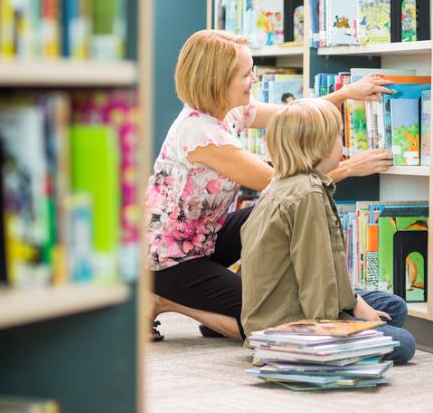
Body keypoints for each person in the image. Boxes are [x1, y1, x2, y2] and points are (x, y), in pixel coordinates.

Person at [147, 30, 394, 341]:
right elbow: (283, 187)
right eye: (245, 73)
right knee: (261, 321)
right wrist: (350, 168)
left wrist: (345, 94)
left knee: (262, 214)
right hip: (168, 260)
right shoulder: (200, 134)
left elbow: (293, 117)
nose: (254, 79)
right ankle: (165, 300)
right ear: (216, 81)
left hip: (204, 238)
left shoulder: (230, 111)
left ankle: (222, 298)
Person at [239, 98, 415, 365]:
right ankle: (295, 351)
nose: (342, 145)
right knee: (404, 344)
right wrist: (335, 328)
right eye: (339, 136)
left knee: (394, 307)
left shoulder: (284, 183)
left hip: (277, 306)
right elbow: (316, 275)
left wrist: (355, 302)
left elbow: (325, 266)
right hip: (289, 324)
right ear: (318, 146)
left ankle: (338, 327)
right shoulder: (307, 194)